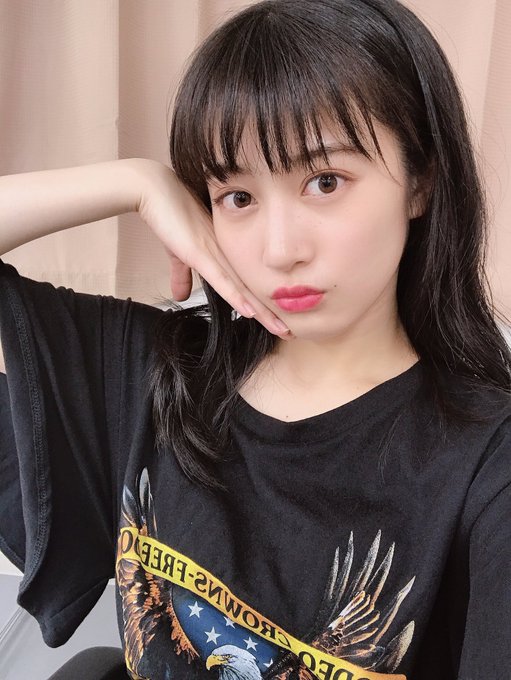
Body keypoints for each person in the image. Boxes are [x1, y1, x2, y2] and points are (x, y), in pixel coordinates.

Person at [0, 0, 510, 678]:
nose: (279, 249)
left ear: (419, 180)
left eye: (324, 182)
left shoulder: (486, 464)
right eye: (237, 196)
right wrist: (133, 181)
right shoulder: (153, 369)